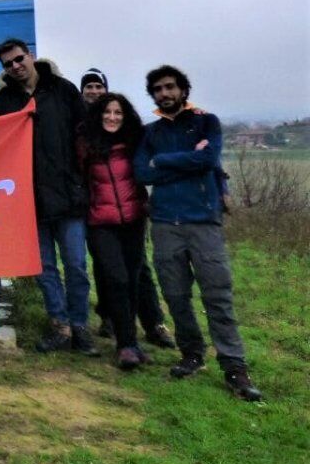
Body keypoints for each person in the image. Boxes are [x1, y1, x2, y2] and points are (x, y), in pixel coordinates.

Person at [133, 66, 262, 401]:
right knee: (175, 296)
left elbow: (207, 160)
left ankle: (234, 366)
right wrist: (183, 161)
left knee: (217, 296)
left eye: (170, 87)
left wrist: (163, 162)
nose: (165, 93)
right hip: (164, 223)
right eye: (158, 89)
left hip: (204, 221)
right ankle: (191, 353)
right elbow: (141, 173)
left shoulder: (207, 122)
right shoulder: (150, 133)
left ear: (183, 90)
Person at [0, 39, 97, 356]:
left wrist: (81, 180)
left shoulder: (63, 90)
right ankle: (59, 325)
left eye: (19, 59)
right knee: (44, 268)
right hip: (28, 201)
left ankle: (80, 327)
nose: (15, 66)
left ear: (30, 56)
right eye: (8, 64)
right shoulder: (1, 102)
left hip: (68, 196)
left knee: (76, 265)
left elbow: (85, 136)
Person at [80, 69, 175, 350]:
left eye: (99, 86)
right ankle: (115, 325)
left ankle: (153, 322)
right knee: (110, 272)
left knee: (136, 273)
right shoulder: (83, 135)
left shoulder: (134, 136)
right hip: (99, 216)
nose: (95, 91)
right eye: (90, 87)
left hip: (132, 216)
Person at [81, 93, 152, 370]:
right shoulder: (86, 145)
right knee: (117, 279)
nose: (112, 117)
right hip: (100, 222)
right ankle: (124, 345)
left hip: (134, 220)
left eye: (118, 113)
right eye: (107, 112)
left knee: (132, 280)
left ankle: (130, 341)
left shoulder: (136, 142)